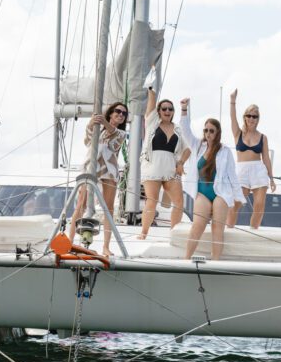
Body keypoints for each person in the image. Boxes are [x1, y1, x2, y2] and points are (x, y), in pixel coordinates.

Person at [180, 98, 244, 260]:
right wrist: (184, 109)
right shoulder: (197, 146)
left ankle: (215, 261)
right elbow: (185, 130)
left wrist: (238, 197)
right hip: (202, 193)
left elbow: (232, 176)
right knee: (198, 226)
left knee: (217, 228)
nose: (208, 133)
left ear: (217, 133)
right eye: (206, 130)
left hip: (220, 193)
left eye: (211, 131)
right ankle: (186, 259)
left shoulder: (225, 151)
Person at [68, 102, 128, 255]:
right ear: (110, 112)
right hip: (91, 168)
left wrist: (104, 122)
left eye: (124, 113)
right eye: (118, 111)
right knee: (81, 205)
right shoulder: (98, 129)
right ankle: (69, 241)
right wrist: (90, 123)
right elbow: (88, 142)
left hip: (109, 171)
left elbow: (114, 142)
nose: (121, 115)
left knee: (109, 208)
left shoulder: (121, 134)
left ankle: (106, 247)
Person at [139, 88, 190, 239]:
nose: (167, 111)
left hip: (171, 170)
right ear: (159, 111)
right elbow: (151, 101)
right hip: (152, 168)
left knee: (179, 202)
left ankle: (174, 233)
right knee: (152, 201)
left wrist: (181, 163)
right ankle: (144, 233)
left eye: (170, 109)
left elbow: (187, 150)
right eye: (164, 109)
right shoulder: (152, 123)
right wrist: (151, 90)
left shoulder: (177, 128)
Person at [226, 89, 276, 228]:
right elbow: (232, 117)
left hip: (258, 170)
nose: (251, 119)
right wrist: (232, 100)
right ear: (245, 117)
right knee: (236, 203)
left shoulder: (263, 137)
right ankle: (228, 231)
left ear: (258, 119)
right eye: (249, 116)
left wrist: (271, 178)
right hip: (241, 170)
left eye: (255, 116)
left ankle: (254, 232)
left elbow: (266, 158)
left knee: (259, 207)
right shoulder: (238, 133)